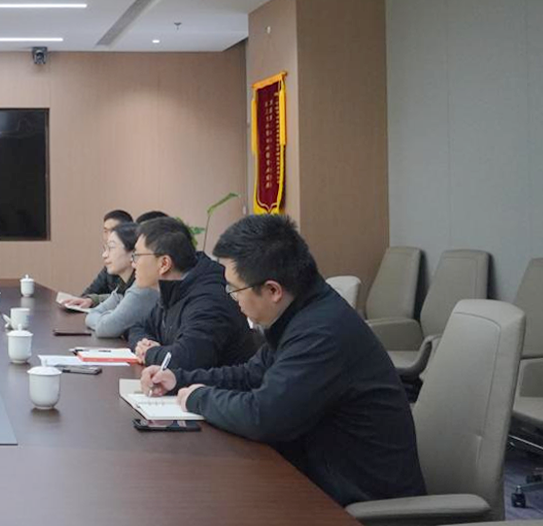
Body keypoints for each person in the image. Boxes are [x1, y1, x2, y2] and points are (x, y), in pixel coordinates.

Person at [141, 214, 426, 506]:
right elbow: (251, 374)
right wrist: (179, 380)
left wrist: (198, 398)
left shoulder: (322, 332)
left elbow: (263, 416)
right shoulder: (300, 312)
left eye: (234, 289)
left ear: (273, 290)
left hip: (359, 507)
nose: (231, 298)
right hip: (317, 480)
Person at [127, 217, 257, 370]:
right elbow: (138, 327)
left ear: (164, 263)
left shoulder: (209, 300)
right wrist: (145, 344)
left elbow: (186, 360)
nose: (133, 263)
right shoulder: (174, 289)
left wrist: (150, 353)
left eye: (137, 256)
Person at [84, 221, 159, 339]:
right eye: (105, 249)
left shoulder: (142, 289)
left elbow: (106, 329)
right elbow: (92, 314)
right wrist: (110, 317)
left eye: (111, 248)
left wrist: (109, 318)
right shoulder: (124, 284)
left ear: (133, 253)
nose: (104, 255)